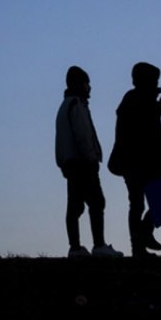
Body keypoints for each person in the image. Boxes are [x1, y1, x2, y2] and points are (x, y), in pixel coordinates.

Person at [55, 66, 123, 258]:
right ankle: (98, 245)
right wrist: (91, 157)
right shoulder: (76, 105)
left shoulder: (65, 106)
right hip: (82, 162)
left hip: (71, 163)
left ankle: (75, 247)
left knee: (75, 205)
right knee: (96, 202)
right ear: (79, 84)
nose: (89, 87)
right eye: (87, 83)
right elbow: (83, 135)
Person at [108, 62, 161, 257]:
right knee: (145, 202)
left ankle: (141, 239)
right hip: (139, 162)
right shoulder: (136, 99)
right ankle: (141, 240)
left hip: (138, 161)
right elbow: (145, 127)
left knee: (145, 202)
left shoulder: (135, 99)